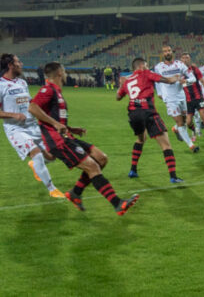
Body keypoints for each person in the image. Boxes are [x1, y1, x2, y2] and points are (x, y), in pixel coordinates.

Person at [29, 62, 139, 215]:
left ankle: (75, 193)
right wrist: (55, 124)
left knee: (101, 159)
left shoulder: (56, 91)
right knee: (92, 167)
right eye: (64, 71)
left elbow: (55, 117)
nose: (66, 74)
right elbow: (32, 107)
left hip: (67, 135)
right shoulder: (47, 89)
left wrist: (71, 128)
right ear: (60, 73)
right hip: (58, 141)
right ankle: (117, 203)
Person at [0, 54, 64, 198]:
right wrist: (13, 115)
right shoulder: (1, 85)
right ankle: (52, 189)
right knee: (36, 152)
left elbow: (30, 103)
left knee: (52, 155)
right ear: (10, 65)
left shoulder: (22, 83)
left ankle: (35, 166)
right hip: (15, 129)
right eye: (18, 62)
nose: (21, 64)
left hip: (32, 126)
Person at [116, 57, 184, 183]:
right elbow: (168, 81)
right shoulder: (146, 73)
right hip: (148, 112)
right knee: (166, 144)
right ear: (142, 65)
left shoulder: (127, 80)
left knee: (141, 139)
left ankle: (133, 170)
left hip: (133, 114)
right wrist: (177, 77)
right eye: (146, 65)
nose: (148, 67)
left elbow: (118, 97)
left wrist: (121, 85)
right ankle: (173, 176)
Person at [154, 45, 199, 153]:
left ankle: (175, 128)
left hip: (181, 97)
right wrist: (160, 93)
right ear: (163, 54)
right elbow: (157, 81)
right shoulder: (158, 67)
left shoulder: (180, 64)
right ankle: (191, 145)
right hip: (169, 99)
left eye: (169, 51)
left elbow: (193, 78)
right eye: (165, 51)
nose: (167, 53)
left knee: (185, 121)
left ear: (172, 52)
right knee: (180, 122)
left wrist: (186, 82)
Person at [180, 53, 204, 144]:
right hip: (188, 100)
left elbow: (203, 81)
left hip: (198, 97)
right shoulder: (179, 71)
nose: (185, 59)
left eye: (187, 58)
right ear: (181, 60)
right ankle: (194, 131)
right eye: (183, 58)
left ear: (190, 59)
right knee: (188, 122)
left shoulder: (194, 69)